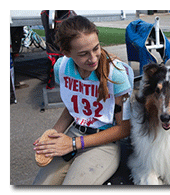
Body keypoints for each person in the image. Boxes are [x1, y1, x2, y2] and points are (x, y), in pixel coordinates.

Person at [32, 15, 132, 185]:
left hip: (104, 142)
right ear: (66, 53)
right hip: (74, 133)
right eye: (83, 54)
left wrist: (72, 143)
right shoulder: (61, 67)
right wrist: (53, 135)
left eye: (96, 48)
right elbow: (73, 108)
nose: (93, 58)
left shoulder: (116, 73)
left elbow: (124, 129)